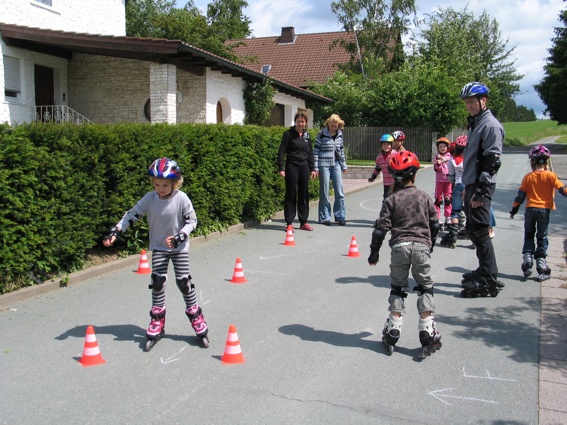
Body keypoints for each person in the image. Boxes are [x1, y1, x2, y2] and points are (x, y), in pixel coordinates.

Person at [102, 158, 209, 350]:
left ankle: (196, 316)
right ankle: (157, 320)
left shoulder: (181, 198)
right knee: (157, 281)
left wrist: (180, 236)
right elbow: (132, 214)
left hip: (179, 247)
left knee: (183, 281)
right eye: (157, 184)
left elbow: (192, 221)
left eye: (165, 185)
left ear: (175, 183)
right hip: (159, 246)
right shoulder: (150, 198)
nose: (160, 188)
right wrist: (116, 231)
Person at [367, 151, 442, 359]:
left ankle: (393, 331)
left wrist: (374, 253)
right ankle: (427, 331)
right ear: (415, 175)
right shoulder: (425, 197)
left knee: (398, 289)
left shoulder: (391, 200)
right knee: (425, 287)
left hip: (399, 247)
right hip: (420, 248)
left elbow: (380, 229)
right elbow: (435, 225)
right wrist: (430, 244)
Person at [459, 82, 504, 298]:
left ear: (483, 101)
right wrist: (469, 187)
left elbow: (492, 161)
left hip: (481, 185)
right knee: (472, 228)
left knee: (480, 230)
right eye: (467, 102)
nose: (469, 105)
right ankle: (485, 269)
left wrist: (480, 191)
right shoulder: (476, 124)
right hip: (472, 183)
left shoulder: (490, 126)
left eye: (472, 101)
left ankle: (489, 278)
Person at [510, 145, 567, 281]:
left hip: (530, 210)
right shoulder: (551, 176)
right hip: (544, 211)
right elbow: (562, 189)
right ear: (545, 162)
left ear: (532, 162)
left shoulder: (528, 177)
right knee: (542, 237)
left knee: (529, 235)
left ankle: (527, 262)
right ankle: (541, 267)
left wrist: (514, 209)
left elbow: (520, 197)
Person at [278, 111, 317, 231]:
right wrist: (281, 167)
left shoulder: (307, 136)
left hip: (304, 166)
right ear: (295, 121)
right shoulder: (288, 134)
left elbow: (310, 152)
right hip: (292, 166)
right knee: (291, 193)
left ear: (305, 123)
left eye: (303, 121)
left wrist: (312, 168)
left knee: (303, 194)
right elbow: (282, 151)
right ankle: (289, 223)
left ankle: (303, 222)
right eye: (299, 121)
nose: (301, 123)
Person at [314, 114, 348, 226]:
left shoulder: (339, 134)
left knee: (339, 191)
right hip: (324, 164)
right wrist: (315, 167)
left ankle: (340, 216)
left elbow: (341, 151)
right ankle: (325, 217)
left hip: (336, 164)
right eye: (332, 125)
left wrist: (344, 165)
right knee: (324, 191)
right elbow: (316, 151)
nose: (334, 128)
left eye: (336, 126)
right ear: (328, 124)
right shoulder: (322, 134)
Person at [440, 135, 468, 248]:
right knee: (470, 211)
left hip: (458, 185)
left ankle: (453, 237)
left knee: (455, 211)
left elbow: (450, 177)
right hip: (469, 186)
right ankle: (473, 235)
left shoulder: (452, 160)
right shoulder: (469, 159)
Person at [368, 134, 395, 199]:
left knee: (391, 200)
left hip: (395, 182)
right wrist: (373, 177)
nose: (386, 146)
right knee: (387, 200)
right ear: (381, 145)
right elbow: (378, 168)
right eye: (384, 144)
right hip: (386, 183)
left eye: (388, 144)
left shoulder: (395, 155)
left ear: (391, 145)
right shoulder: (379, 158)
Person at [433, 137, 453, 227]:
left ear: (447, 147)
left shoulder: (449, 155)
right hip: (439, 181)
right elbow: (437, 169)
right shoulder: (436, 157)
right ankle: (437, 217)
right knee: (438, 200)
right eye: (440, 147)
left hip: (448, 181)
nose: (442, 148)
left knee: (448, 199)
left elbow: (448, 159)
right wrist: (438, 163)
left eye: (444, 146)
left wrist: (442, 159)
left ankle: (448, 217)